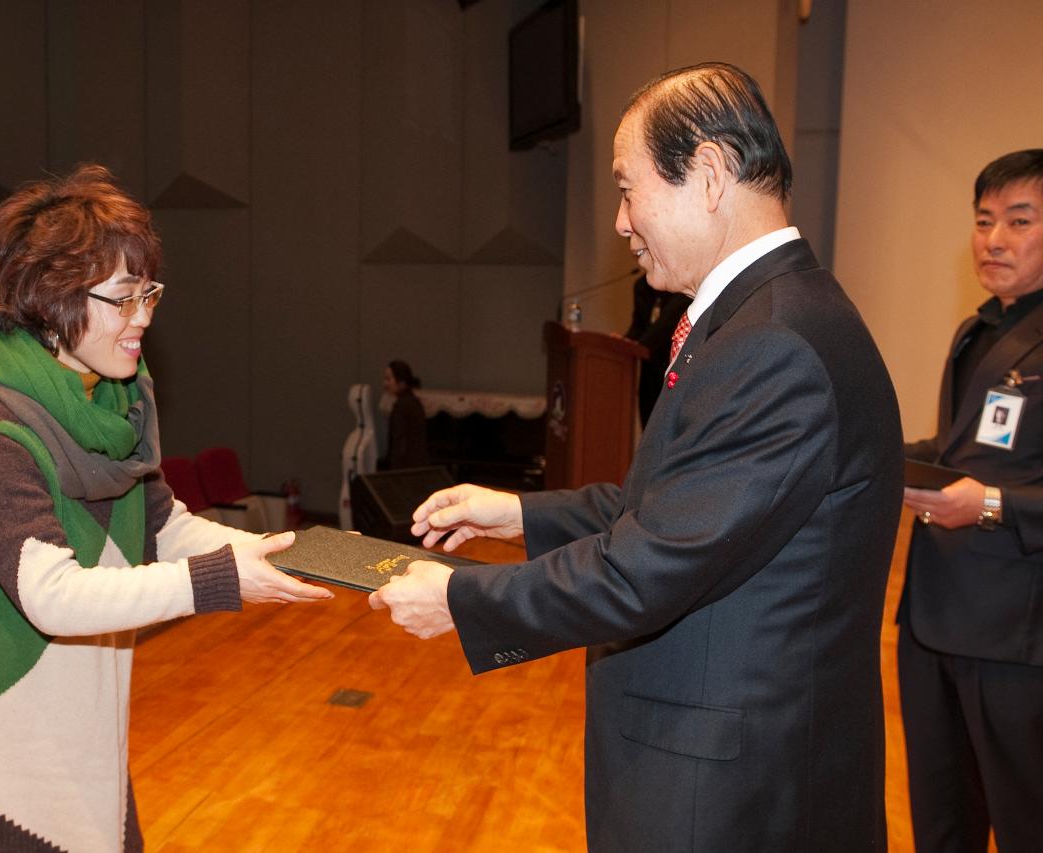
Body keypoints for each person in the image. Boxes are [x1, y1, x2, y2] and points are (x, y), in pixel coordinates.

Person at [369, 62, 903, 852]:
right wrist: (513, 511)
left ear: (711, 175)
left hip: (727, 796)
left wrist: (461, 600)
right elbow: (673, 506)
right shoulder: (775, 314)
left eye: (628, 188)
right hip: (735, 769)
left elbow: (650, 566)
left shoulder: (773, 345)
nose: (620, 222)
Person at [0, 164, 332, 851]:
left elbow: (161, 524)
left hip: (80, 729)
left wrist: (269, 549)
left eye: (148, 294)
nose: (145, 319)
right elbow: (53, 594)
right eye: (123, 299)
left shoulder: (109, 403)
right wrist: (220, 580)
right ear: (50, 300)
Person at [899, 149, 1043, 853]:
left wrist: (989, 504)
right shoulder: (979, 329)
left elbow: (987, 483)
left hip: (1016, 635)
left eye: (1020, 220)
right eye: (984, 220)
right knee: (942, 823)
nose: (994, 238)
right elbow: (960, 449)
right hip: (934, 617)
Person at [624, 274, 692, 426]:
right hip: (648, 370)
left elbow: (663, 328)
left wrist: (637, 344)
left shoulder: (681, 284)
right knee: (648, 424)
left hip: (672, 369)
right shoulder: (642, 286)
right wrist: (624, 342)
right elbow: (638, 327)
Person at [379, 360, 428, 470]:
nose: (385, 383)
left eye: (389, 379)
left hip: (405, 467)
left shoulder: (402, 405)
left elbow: (399, 442)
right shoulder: (414, 402)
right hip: (417, 465)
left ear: (401, 382)